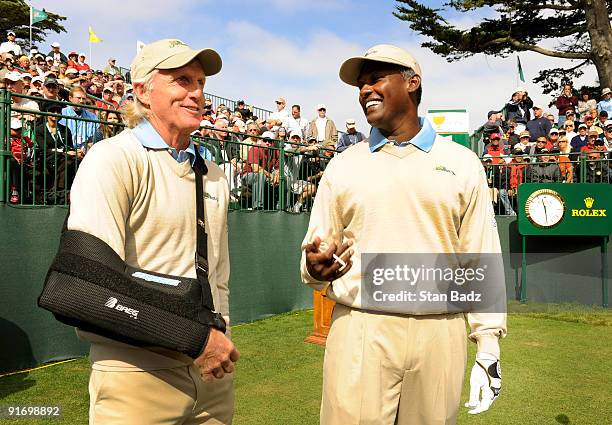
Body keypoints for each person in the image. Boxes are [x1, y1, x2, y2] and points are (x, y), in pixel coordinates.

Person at [301, 44, 506, 425]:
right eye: (360, 85)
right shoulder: (344, 164)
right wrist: (315, 267)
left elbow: (479, 254)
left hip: (440, 330)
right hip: (361, 325)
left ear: (412, 83)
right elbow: (315, 250)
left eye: (376, 79)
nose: (364, 90)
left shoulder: (460, 162)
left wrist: (489, 342)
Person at [66, 38, 239, 424]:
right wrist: (194, 339)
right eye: (182, 80)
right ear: (143, 91)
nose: (196, 93)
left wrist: (220, 336)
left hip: (212, 375)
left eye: (200, 83)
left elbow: (218, 273)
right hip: (136, 374)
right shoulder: (111, 158)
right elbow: (85, 283)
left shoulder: (213, 175)